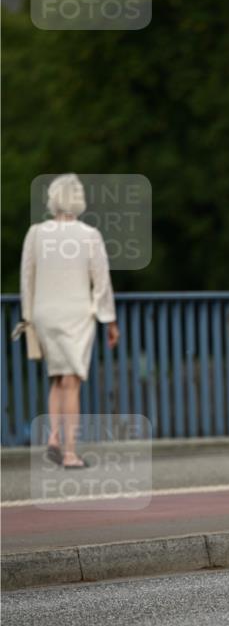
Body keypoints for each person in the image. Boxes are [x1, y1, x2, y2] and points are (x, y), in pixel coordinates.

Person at [20, 173, 119, 468]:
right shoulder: (89, 235)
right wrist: (109, 321)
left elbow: (27, 278)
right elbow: (101, 282)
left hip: (44, 313)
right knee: (72, 380)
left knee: (56, 376)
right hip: (77, 314)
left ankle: (53, 437)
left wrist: (28, 317)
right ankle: (71, 452)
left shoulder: (35, 233)